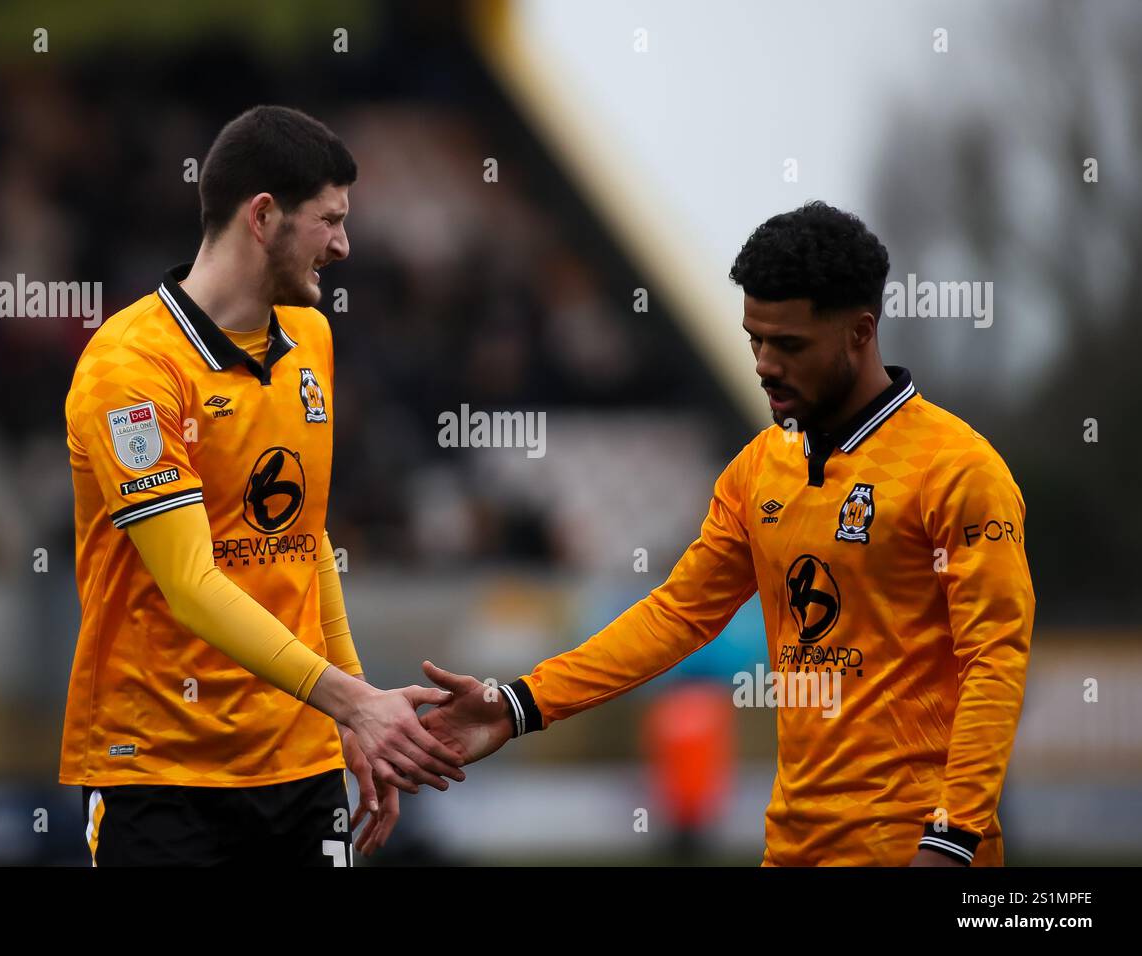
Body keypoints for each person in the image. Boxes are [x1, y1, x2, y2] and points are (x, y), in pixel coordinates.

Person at [420, 201, 1035, 867]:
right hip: (793, 844)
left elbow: (994, 659)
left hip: (916, 846)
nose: (765, 364)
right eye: (755, 340)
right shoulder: (758, 469)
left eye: (790, 345)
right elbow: (678, 613)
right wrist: (519, 703)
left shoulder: (959, 470)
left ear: (861, 332)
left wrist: (953, 838)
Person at [60, 105, 463, 866]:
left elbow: (304, 539)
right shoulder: (130, 369)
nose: (344, 245)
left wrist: (353, 709)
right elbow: (189, 583)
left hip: (300, 762)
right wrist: (353, 702)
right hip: (160, 769)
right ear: (263, 215)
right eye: (330, 221)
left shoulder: (311, 338)